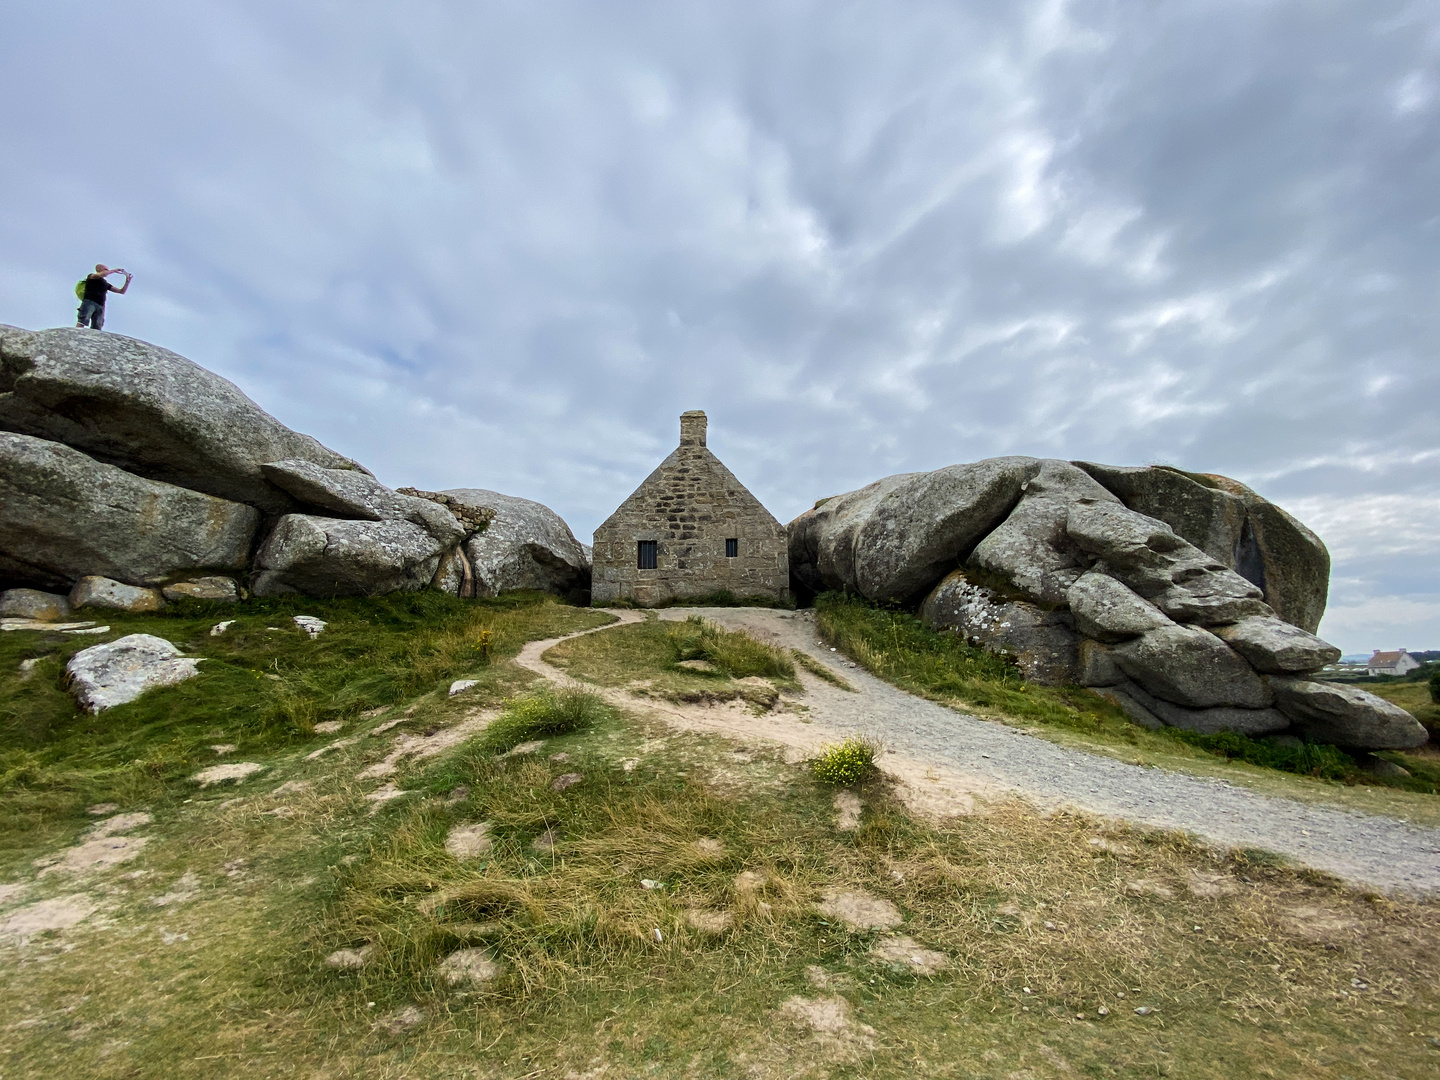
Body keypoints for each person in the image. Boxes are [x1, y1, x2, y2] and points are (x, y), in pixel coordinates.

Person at [76, 264, 131, 330]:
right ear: (99, 269)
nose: (107, 271)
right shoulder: (91, 276)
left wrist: (127, 282)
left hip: (100, 305)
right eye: (105, 269)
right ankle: (75, 333)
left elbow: (121, 291)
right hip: (89, 302)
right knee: (83, 320)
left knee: (97, 326)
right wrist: (114, 270)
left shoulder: (105, 283)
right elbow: (100, 275)